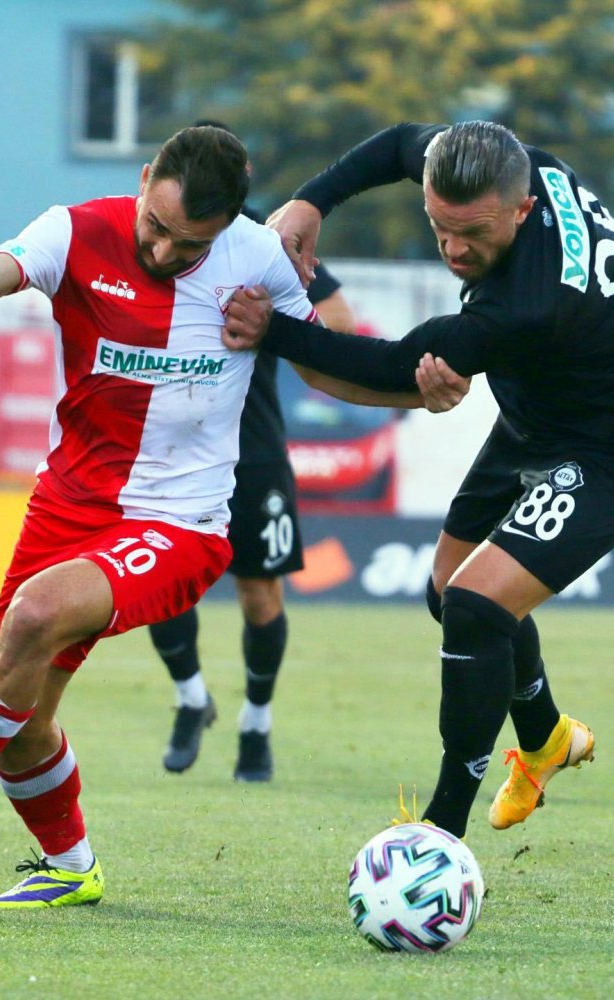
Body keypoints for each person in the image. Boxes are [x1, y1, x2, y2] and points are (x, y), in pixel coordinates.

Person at [0, 125, 450, 909]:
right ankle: (71, 867)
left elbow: (328, 369)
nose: (162, 252)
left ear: (228, 225)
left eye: (187, 244)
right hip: (64, 508)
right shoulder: (73, 231)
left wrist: (415, 393)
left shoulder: (258, 257)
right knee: (18, 717)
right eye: (154, 227)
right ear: (141, 180)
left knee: (35, 616)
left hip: (180, 523)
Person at [223, 120, 614, 841]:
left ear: (523, 209)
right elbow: (404, 141)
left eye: (471, 233)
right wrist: (313, 201)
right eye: (439, 225)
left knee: (475, 603)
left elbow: (389, 367)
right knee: (449, 594)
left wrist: (272, 330)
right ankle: (545, 738)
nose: (453, 249)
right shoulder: (510, 163)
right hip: (544, 417)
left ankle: (441, 832)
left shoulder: (529, 303)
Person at [150, 120, 358, 784]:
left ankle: (255, 724)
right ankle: (191, 699)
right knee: (160, 587)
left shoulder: (267, 246)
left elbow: (342, 332)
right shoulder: (150, 236)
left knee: (259, 594)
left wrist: (273, 324)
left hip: (253, 447)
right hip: (168, 450)